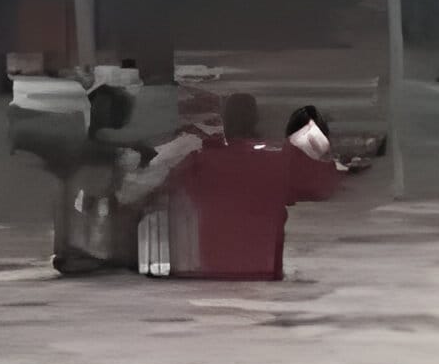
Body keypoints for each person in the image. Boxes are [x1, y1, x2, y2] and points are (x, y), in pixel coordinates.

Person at [149, 93, 353, 281]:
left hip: (209, 280)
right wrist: (322, 142)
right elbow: (330, 184)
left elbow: (154, 187)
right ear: (256, 122)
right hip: (262, 279)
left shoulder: (199, 164)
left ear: (224, 124)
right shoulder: (281, 162)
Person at [11, 84, 151, 275]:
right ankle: (89, 250)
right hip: (91, 252)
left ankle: (83, 249)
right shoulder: (116, 154)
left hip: (79, 253)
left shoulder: (98, 152)